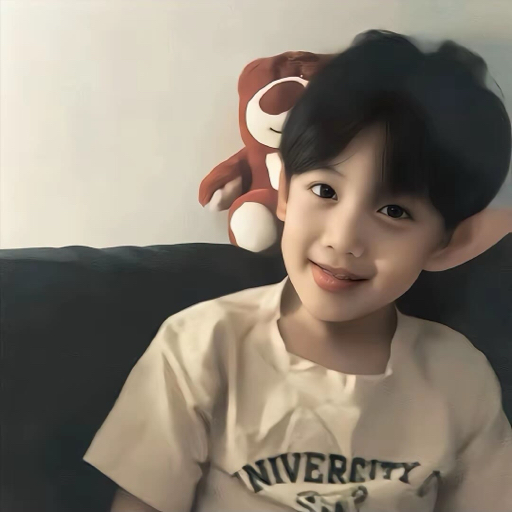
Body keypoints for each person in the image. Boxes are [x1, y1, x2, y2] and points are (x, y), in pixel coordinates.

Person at [83, 30, 512, 512]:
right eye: (325, 191)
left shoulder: (459, 378)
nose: (343, 239)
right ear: (284, 190)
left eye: (393, 211)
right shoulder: (200, 347)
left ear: (447, 242)